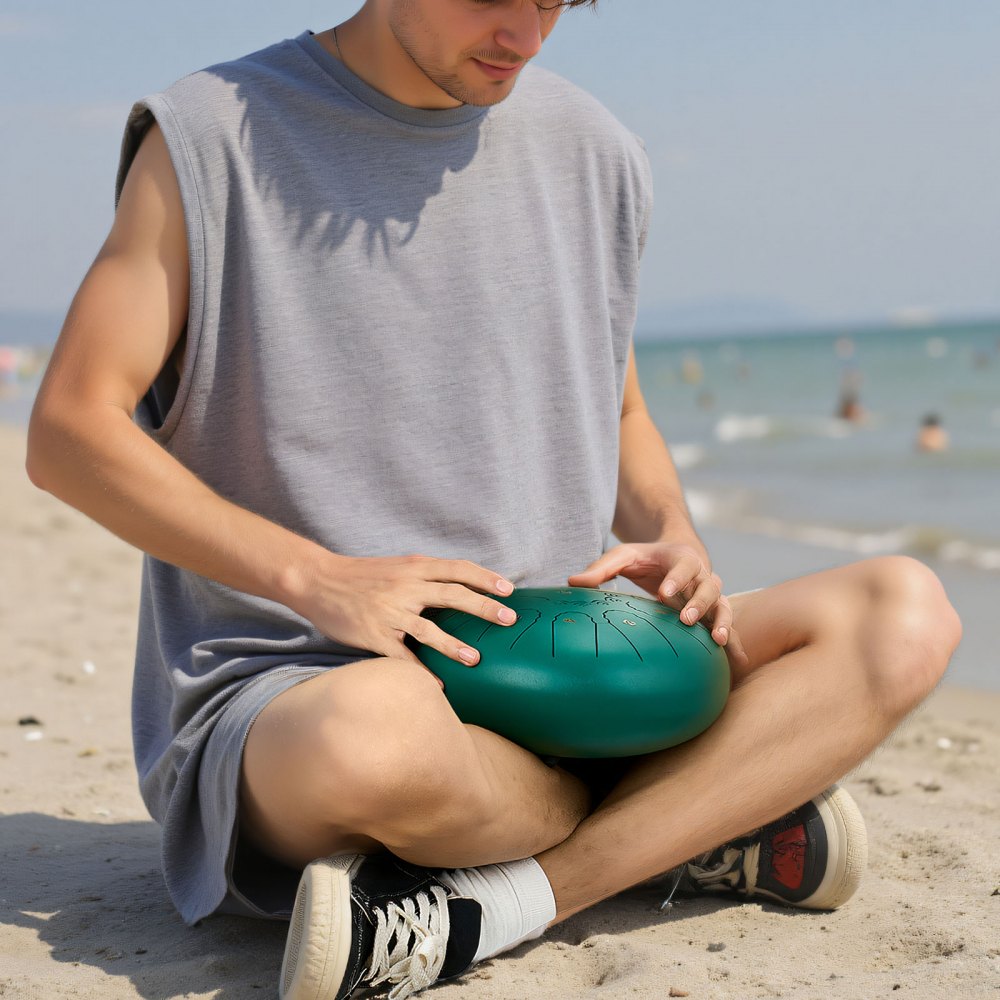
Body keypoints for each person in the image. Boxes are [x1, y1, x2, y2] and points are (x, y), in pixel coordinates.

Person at [26, 3, 961, 999]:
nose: (524, 33)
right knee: (371, 736)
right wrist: (319, 578)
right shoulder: (208, 135)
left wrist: (670, 532)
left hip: (564, 659)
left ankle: (522, 895)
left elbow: (620, 407)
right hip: (306, 686)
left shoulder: (595, 148)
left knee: (900, 614)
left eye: (554, 0)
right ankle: (692, 821)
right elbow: (70, 429)